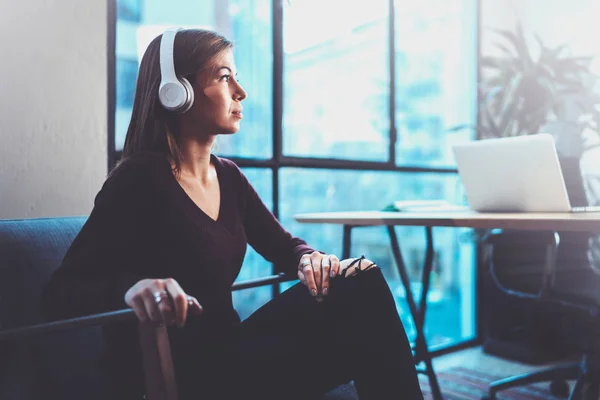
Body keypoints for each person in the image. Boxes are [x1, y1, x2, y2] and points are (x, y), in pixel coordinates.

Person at [42, 28, 423, 400]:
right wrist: (132, 288)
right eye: (225, 77)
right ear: (177, 92)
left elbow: (284, 246)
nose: (241, 92)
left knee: (359, 278)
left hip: (232, 352)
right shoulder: (137, 180)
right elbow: (59, 295)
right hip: (187, 376)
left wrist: (309, 259)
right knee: (364, 333)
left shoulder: (228, 176)